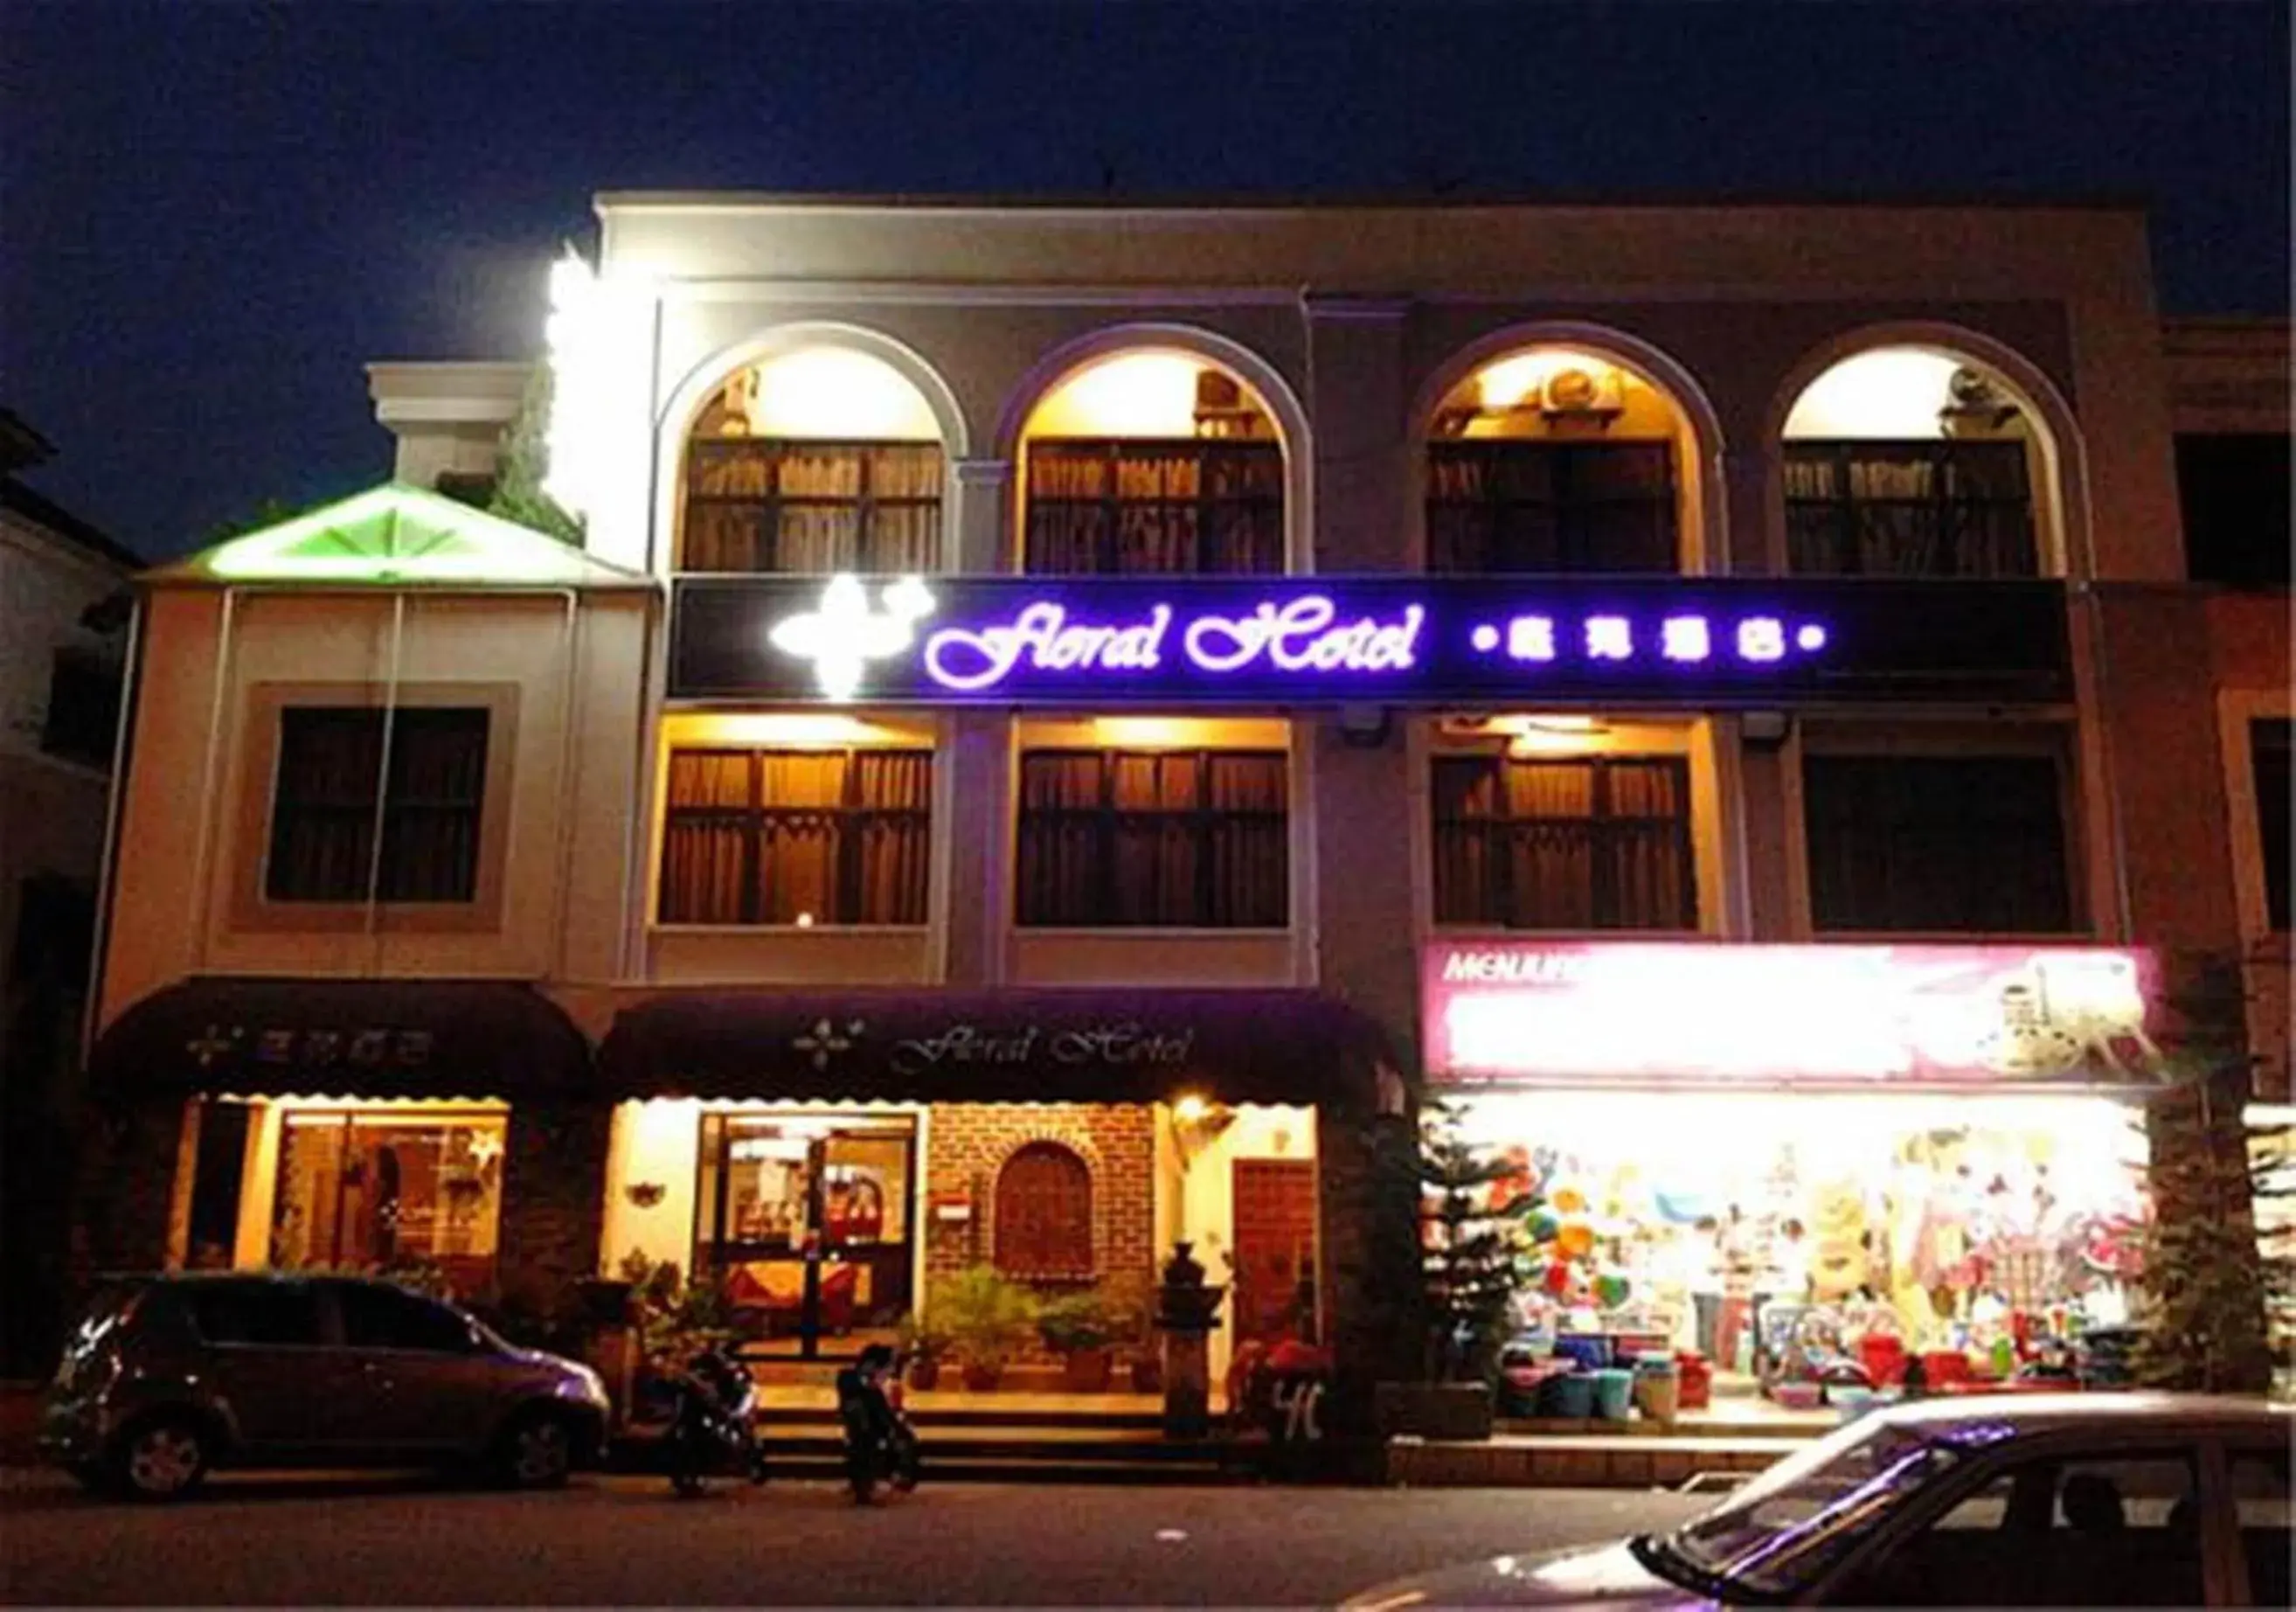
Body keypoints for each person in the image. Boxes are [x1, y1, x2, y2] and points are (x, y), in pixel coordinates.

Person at [835, 1343, 899, 1503]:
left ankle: (881, 1480)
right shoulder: (849, 1378)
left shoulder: (877, 1388)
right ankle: (864, 1486)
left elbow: (885, 1411)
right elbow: (850, 1400)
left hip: (876, 1426)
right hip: (861, 1425)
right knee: (864, 1441)